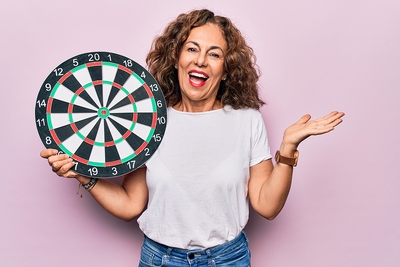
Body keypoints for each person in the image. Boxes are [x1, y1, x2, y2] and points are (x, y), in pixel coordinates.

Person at [40, 9, 344, 267]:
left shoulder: (247, 120)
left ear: (225, 70)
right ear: (176, 58)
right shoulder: (146, 120)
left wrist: (288, 149)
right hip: (159, 258)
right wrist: (84, 176)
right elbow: (132, 205)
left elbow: (267, 205)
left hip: (228, 259)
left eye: (214, 54)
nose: (201, 60)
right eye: (192, 48)